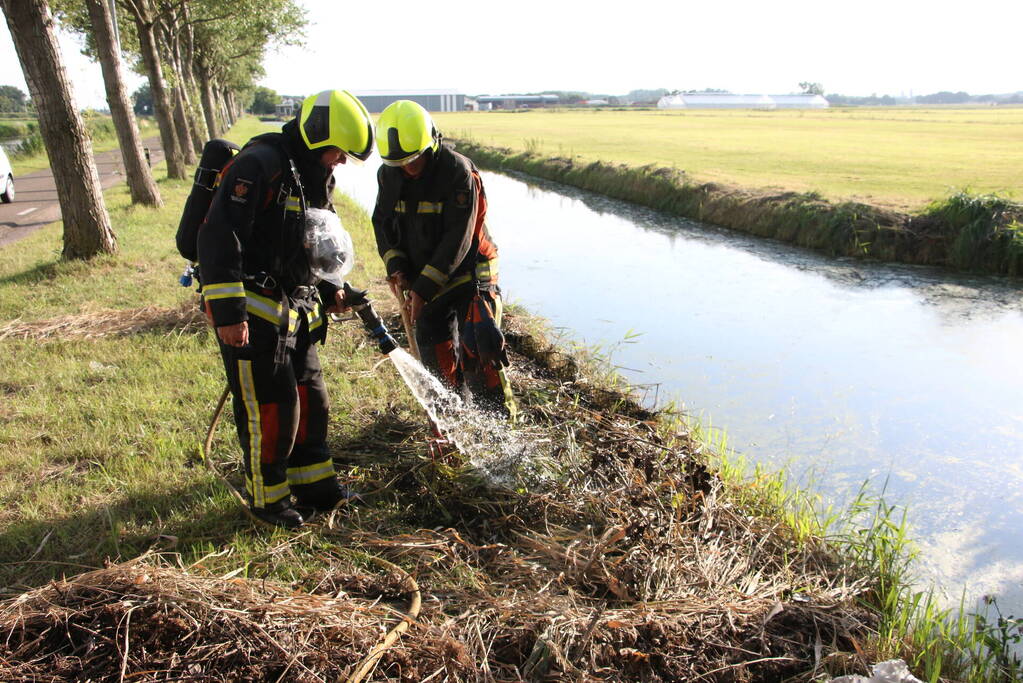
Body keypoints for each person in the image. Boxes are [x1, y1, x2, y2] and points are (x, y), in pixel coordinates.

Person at [197, 90, 374, 528]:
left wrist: (333, 288)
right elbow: (219, 238)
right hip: (254, 312)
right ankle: (269, 501)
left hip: (297, 308)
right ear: (316, 137)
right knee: (272, 408)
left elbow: (316, 241)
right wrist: (229, 312)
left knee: (311, 400)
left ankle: (315, 487)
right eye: (339, 151)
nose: (342, 161)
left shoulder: (314, 174)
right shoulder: (258, 165)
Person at [372, 100, 516, 419]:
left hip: (470, 272)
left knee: (479, 351)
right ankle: (450, 421)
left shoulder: (457, 172)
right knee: (435, 356)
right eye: (401, 163)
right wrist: (397, 268)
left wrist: (422, 290)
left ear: (432, 142)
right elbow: (382, 223)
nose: (408, 168)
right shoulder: (389, 175)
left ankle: (501, 428)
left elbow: (458, 239)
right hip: (427, 276)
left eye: (415, 159)